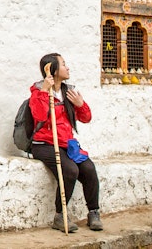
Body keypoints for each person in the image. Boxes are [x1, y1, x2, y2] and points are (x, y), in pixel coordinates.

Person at [29, 52, 102, 232]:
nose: (67, 67)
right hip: (44, 144)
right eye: (63, 64)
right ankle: (60, 216)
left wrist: (80, 104)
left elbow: (86, 118)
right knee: (70, 170)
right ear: (52, 69)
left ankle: (93, 212)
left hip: (66, 143)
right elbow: (38, 115)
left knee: (89, 169)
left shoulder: (68, 92)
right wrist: (45, 91)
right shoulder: (39, 90)